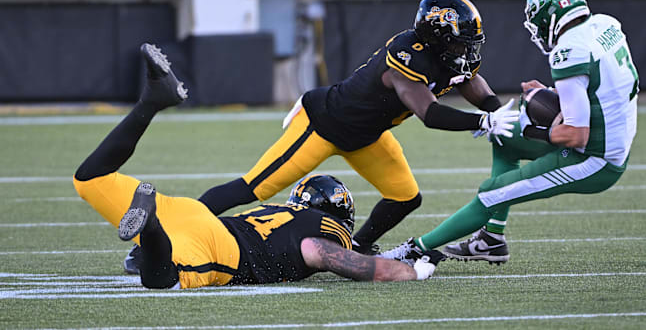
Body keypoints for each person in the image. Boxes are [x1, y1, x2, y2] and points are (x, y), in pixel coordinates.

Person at [73, 44, 445, 289]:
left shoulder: (284, 211)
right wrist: (412, 271)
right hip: (216, 247)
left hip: (193, 213)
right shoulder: (325, 230)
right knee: (165, 281)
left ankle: (151, 103)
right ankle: (150, 226)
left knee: (91, 179)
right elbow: (331, 257)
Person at [193, 0, 519, 255]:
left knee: (405, 196)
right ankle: (173, 230)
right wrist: (484, 121)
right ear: (437, 39)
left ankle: (359, 247)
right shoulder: (407, 56)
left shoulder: (447, 57)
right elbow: (429, 114)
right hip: (322, 125)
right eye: (460, 42)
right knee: (256, 186)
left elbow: (470, 81)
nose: (466, 50)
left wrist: (498, 110)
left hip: (366, 135)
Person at [380, 0, 639, 264]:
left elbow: (576, 135)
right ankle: (491, 239)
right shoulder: (605, 25)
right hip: (607, 136)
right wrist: (553, 93)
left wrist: (535, 129)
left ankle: (414, 250)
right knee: (502, 136)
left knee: (492, 193)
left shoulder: (568, 52)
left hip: (595, 159)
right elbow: (600, 87)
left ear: (550, 15)